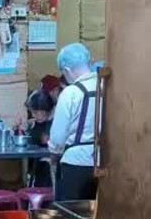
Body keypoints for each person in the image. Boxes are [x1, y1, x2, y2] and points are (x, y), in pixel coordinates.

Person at [48, 42, 98, 201]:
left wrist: (54, 155)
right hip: (103, 161)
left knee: (71, 213)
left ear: (67, 70)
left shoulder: (71, 92)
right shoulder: (106, 87)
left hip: (75, 164)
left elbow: (58, 137)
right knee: (98, 211)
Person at [25, 88, 55, 187]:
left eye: (43, 114)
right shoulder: (32, 123)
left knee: (44, 167)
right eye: (34, 113)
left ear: (49, 112)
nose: (38, 117)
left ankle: (41, 192)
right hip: (31, 160)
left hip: (46, 160)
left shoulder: (51, 125)